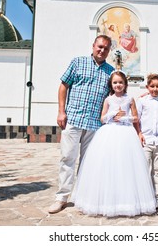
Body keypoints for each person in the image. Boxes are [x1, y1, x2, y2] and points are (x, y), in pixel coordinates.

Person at [72, 71, 157, 217]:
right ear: (111, 85)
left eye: (120, 82)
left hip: (126, 133)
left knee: (126, 166)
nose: (118, 85)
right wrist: (111, 115)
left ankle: (126, 200)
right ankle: (107, 200)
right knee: (108, 165)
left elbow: (136, 118)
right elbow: (102, 119)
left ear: (125, 84)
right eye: (115, 83)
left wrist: (126, 117)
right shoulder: (108, 100)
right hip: (109, 133)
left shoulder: (130, 99)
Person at [48, 35, 114, 214]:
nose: (102, 50)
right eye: (100, 46)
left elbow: (113, 97)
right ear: (93, 46)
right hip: (73, 119)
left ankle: (83, 197)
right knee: (67, 159)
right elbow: (63, 86)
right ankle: (61, 198)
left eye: (106, 48)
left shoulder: (111, 71)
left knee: (88, 162)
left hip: (95, 124)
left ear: (109, 51)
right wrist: (61, 111)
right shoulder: (78, 62)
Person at [136, 74, 158, 209]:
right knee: (144, 169)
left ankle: (156, 197)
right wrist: (139, 133)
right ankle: (144, 197)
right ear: (147, 87)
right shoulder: (142, 101)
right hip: (145, 140)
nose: (155, 89)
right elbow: (137, 120)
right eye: (152, 86)